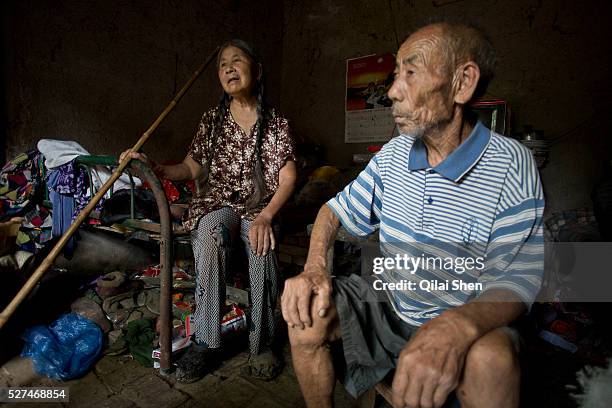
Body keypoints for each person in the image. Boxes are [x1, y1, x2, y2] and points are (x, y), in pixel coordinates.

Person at [282, 22, 544, 408]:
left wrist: (455, 326)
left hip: (466, 314)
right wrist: (315, 267)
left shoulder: (511, 163)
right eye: (394, 74)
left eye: (411, 72)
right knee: (306, 314)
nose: (391, 91)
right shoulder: (392, 156)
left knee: (493, 360)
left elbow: (521, 277)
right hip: (391, 306)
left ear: (462, 83)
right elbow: (332, 209)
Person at [121, 39, 297, 383]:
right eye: (222, 64)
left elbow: (288, 176)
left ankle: (260, 345)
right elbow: (191, 168)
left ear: (257, 71)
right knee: (210, 239)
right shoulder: (212, 121)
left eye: (238, 61)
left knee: (261, 252)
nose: (229, 67)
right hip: (218, 204)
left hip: (259, 208)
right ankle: (206, 341)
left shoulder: (276, 123)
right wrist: (155, 167)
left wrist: (266, 216)